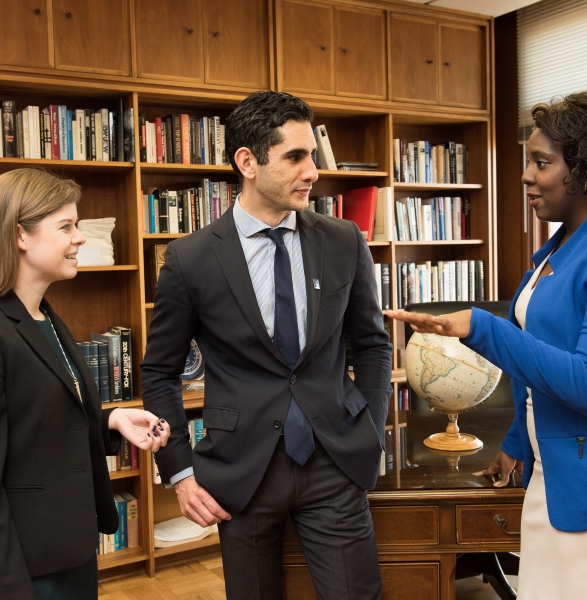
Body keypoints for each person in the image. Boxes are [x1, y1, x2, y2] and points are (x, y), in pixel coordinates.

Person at [386, 90, 587, 599]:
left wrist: (481, 326)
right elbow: (541, 352)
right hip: (560, 475)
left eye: (541, 162)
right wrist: (519, 442)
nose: (525, 176)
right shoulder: (564, 241)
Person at [141, 91, 392, 599]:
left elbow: (372, 345)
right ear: (248, 162)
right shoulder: (189, 260)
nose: (313, 171)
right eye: (295, 157)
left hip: (334, 462)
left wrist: (369, 430)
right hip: (239, 472)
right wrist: (181, 473)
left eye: (313, 156)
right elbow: (158, 373)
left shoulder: (345, 241)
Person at [0, 168, 171, 600]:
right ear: (20, 235)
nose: (80, 237)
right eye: (66, 226)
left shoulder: (45, 318)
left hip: (67, 552)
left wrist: (110, 421)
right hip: (14, 570)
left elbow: (34, 425)